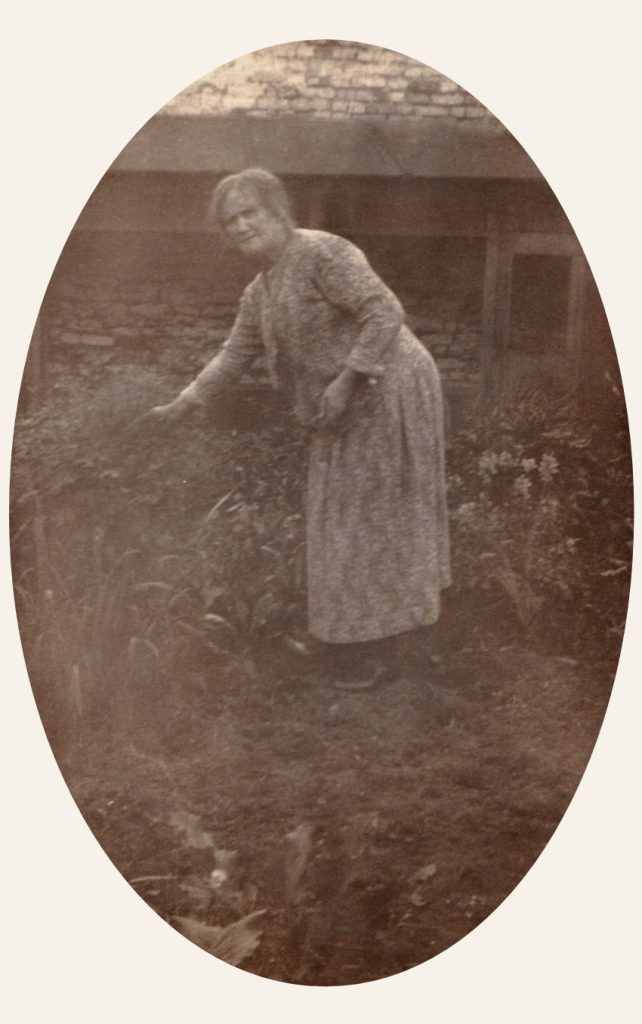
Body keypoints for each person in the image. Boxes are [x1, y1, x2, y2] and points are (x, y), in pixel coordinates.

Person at [149, 168, 451, 689]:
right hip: (345, 402)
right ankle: (345, 632)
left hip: (388, 387)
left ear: (278, 211)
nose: (241, 226)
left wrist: (349, 377)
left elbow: (385, 311)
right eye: (230, 221)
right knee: (335, 516)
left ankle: (376, 650)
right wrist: (184, 402)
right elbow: (235, 353)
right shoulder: (260, 291)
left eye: (251, 212)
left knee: (369, 517)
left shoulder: (322, 253)